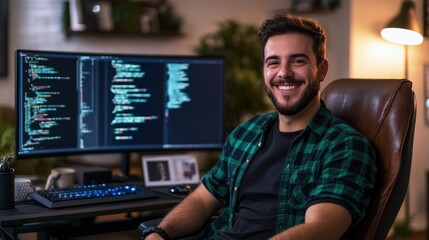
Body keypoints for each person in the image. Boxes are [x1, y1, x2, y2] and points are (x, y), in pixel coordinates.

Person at [142, 12, 377, 240]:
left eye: (298, 61)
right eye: (273, 62)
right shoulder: (246, 133)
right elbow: (203, 199)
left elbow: (322, 229)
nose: (283, 73)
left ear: (322, 70)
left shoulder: (344, 146)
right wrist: (161, 233)